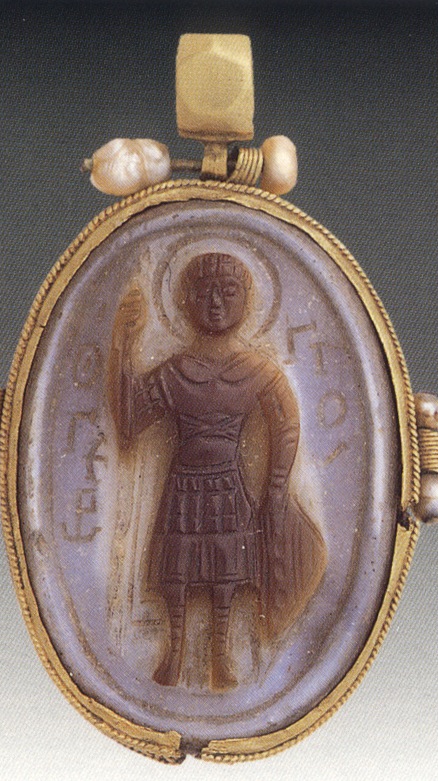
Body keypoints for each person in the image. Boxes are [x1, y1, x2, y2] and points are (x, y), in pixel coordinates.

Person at [108, 252, 326, 690]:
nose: (216, 303)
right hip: (184, 483)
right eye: (205, 292)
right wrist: (123, 346)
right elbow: (130, 419)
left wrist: (277, 486)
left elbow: (287, 425)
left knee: (226, 570)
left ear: (247, 300)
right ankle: (174, 652)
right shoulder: (177, 372)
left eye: (229, 292)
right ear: (186, 301)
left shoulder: (258, 371)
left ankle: (221, 655)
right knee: (178, 569)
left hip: (229, 481)